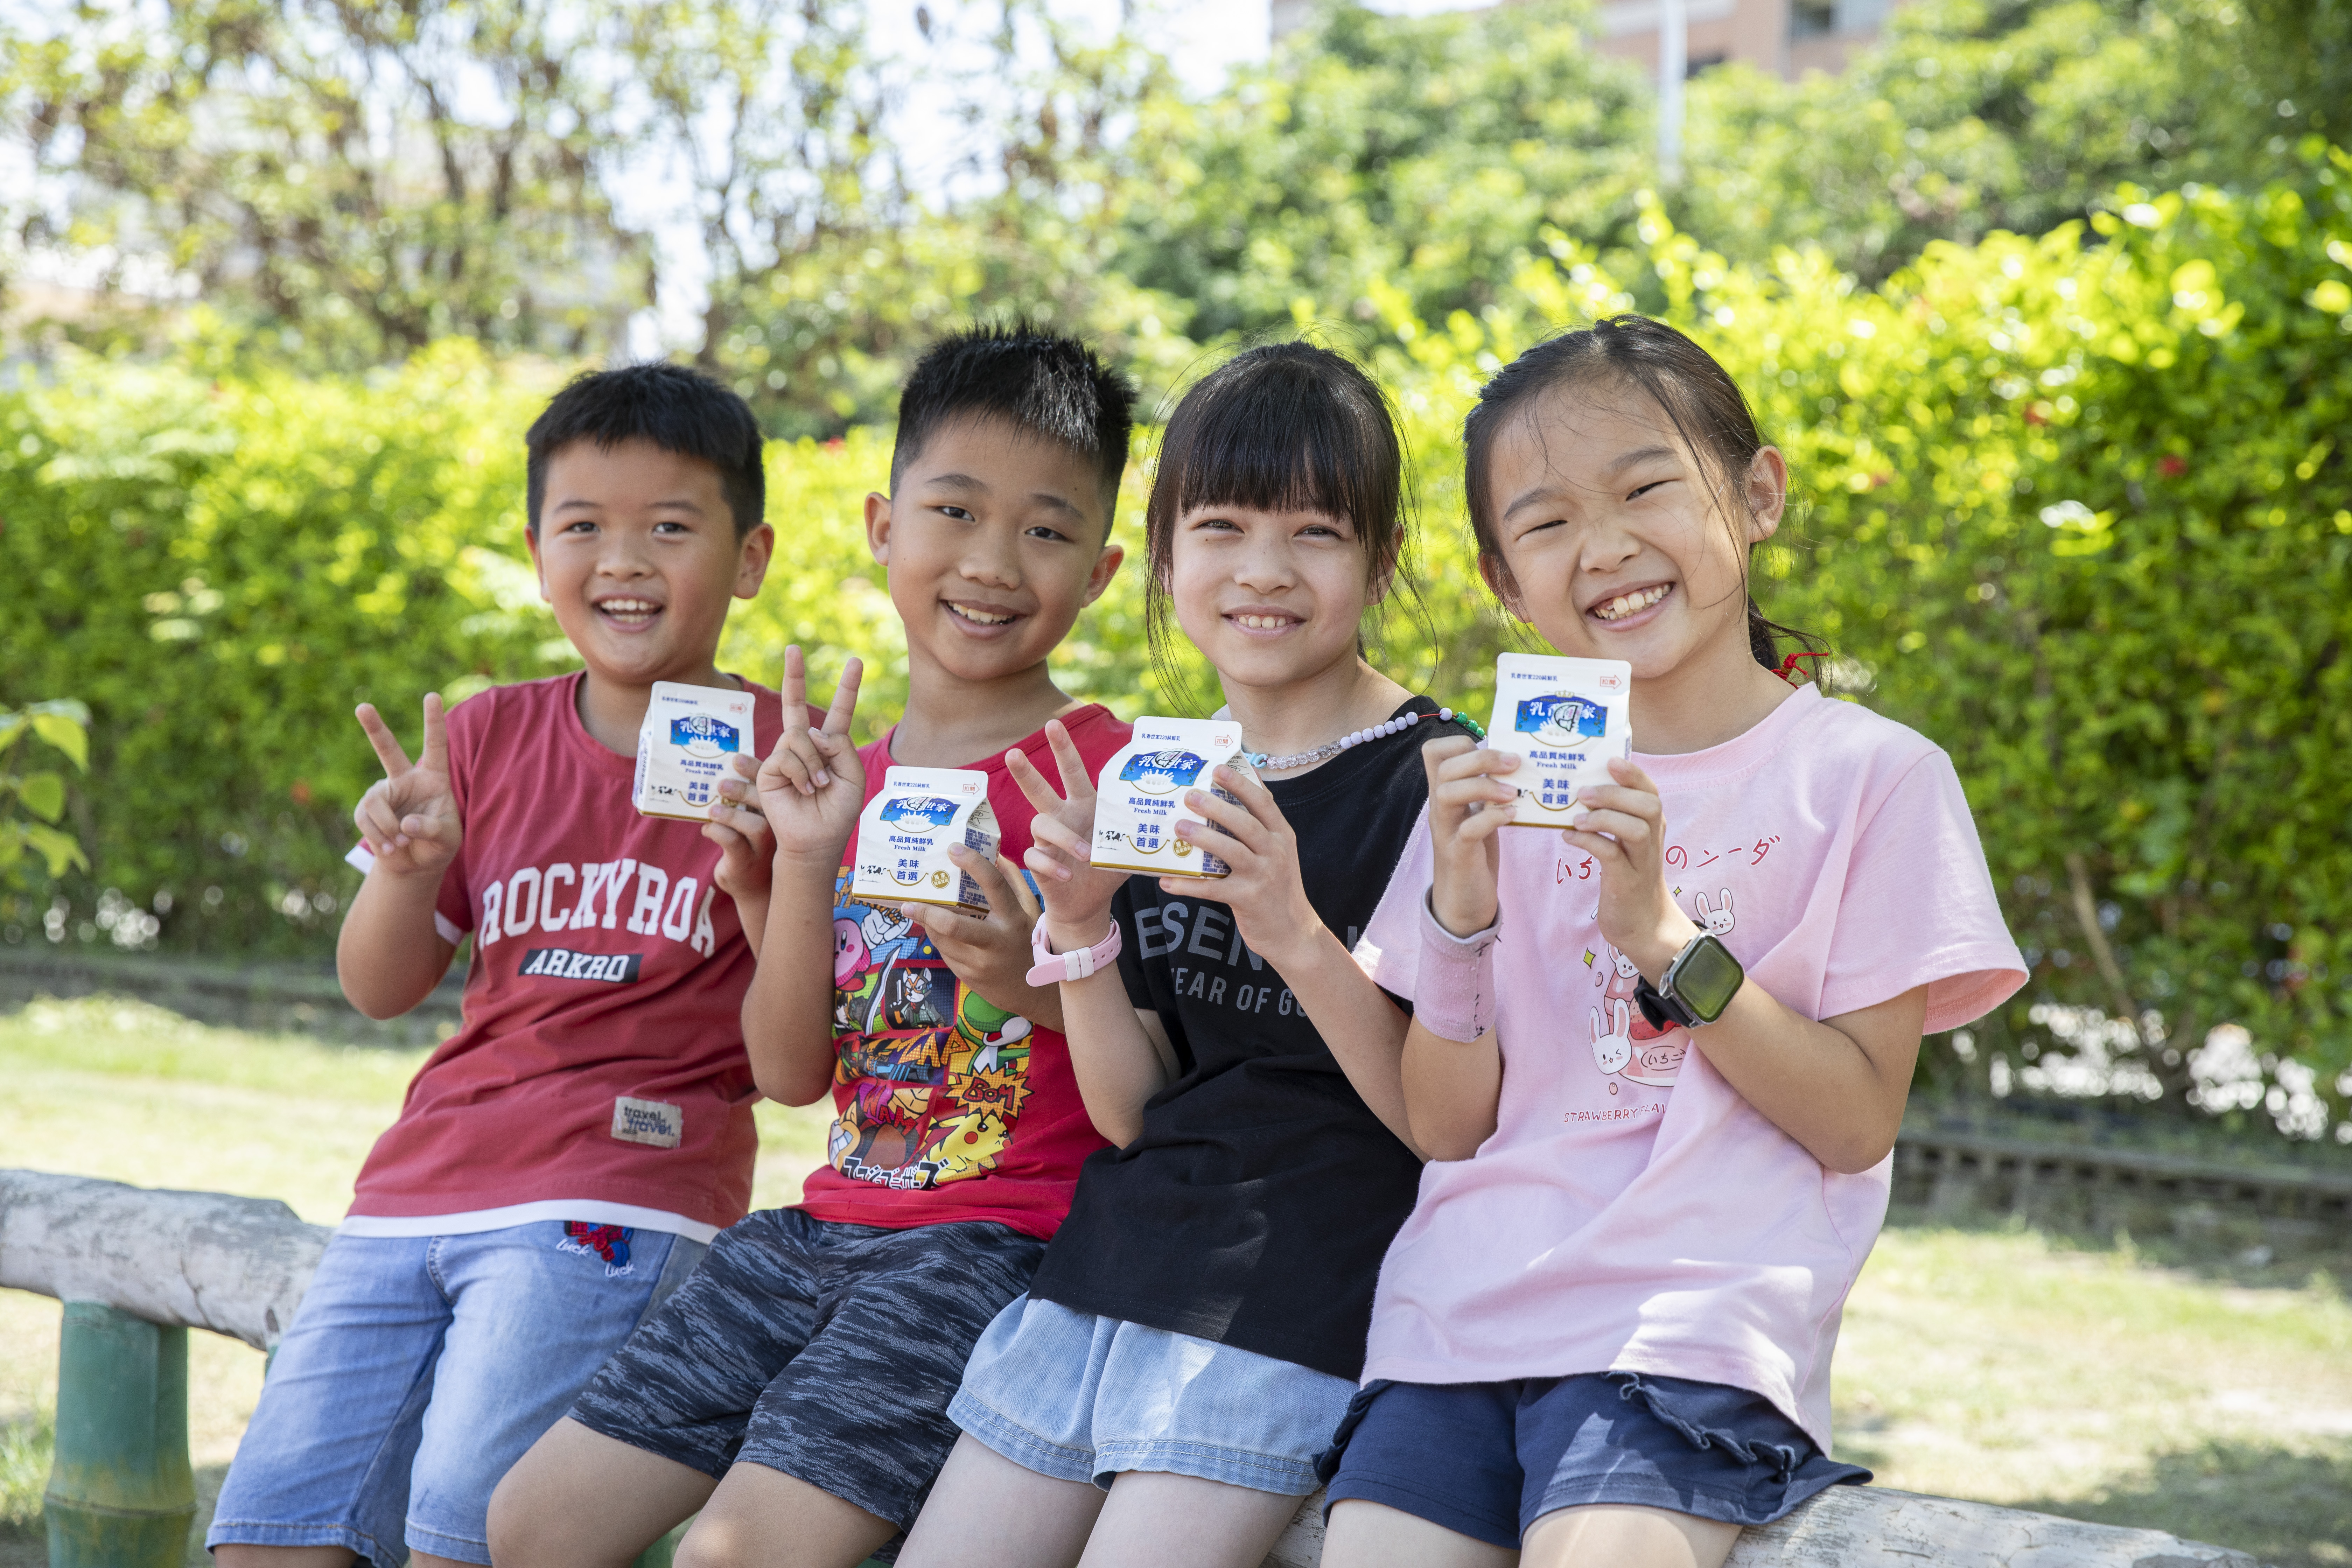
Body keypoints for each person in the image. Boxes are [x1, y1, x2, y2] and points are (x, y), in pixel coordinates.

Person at [1316, 315, 2028, 1568]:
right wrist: (1464, 912)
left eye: (1647, 486)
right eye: (1544, 524)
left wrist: (1661, 938)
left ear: (1756, 495)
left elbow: (1857, 1121)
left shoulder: (1874, 778)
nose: (1605, 549)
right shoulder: (1492, 793)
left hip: (1687, 1334)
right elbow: (1446, 1127)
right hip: (1454, 1323)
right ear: (1504, 582)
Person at [488, 324, 1139, 1568]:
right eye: (955, 511)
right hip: (816, 1228)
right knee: (534, 1523)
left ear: (1101, 571)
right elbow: (792, 1073)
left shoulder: (1099, 779)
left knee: (734, 1552)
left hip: (994, 1246)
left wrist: (1028, 974)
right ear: (883, 525)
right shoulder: (849, 777)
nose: (994, 562)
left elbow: (1151, 1073)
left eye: (1047, 532)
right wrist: (792, 869)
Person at [208, 362, 803, 1568]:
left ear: (751, 558)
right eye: (584, 528)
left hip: (617, 1191)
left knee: (466, 1539)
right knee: (270, 1533)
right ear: (538, 551)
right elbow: (377, 989)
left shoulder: (793, 767)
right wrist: (410, 867)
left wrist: (779, 867)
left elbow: (800, 1057)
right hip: (413, 1188)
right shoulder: (483, 735)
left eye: (670, 528)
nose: (624, 561)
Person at [896, 342, 1479, 1568]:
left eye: (1315, 533)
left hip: (1295, 1300)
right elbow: (1129, 1111)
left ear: (1379, 562)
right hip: (1107, 1267)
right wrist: (1082, 930)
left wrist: (1293, 929)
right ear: (1164, 557)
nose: (1262, 572)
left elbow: (1443, 1120)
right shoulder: (1163, 773)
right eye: (1220, 527)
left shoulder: (1440, 781)